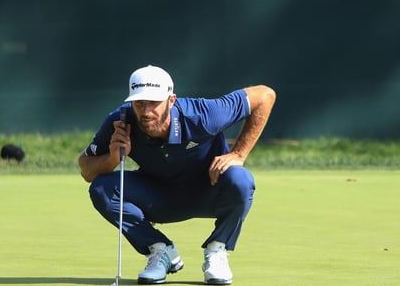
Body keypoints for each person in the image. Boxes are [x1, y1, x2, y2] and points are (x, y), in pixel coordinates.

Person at [78, 65, 276, 285]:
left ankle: (217, 250)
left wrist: (239, 153)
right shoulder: (121, 122)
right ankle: (160, 251)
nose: (145, 112)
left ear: (171, 100)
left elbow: (265, 95)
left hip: (210, 192)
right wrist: (112, 158)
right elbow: (86, 169)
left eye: (154, 103)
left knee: (241, 179)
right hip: (159, 198)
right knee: (102, 188)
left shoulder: (203, 114)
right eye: (139, 103)